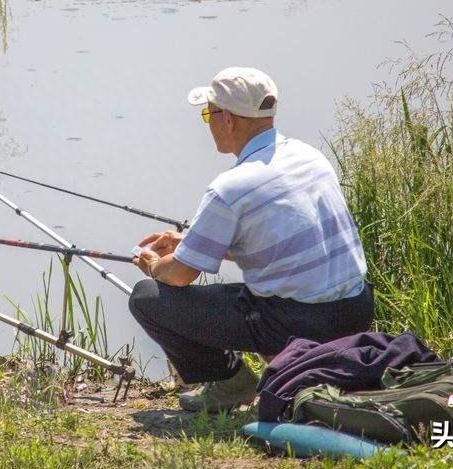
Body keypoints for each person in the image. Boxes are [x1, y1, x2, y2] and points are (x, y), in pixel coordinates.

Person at [128, 67, 375, 413]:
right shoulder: (310, 158)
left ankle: (231, 382)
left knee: (147, 298)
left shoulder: (230, 188)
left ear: (227, 120)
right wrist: (189, 240)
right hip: (355, 310)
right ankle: (292, 366)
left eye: (207, 114)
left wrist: (154, 266)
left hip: (299, 321)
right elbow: (277, 240)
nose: (208, 123)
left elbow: (179, 276)